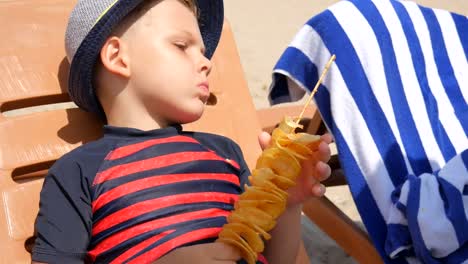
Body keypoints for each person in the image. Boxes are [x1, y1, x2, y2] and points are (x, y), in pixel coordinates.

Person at [31, 0, 332, 263]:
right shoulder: (78, 171)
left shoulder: (224, 153)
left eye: (203, 52)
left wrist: (287, 205)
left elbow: (275, 258)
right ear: (117, 57)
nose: (206, 64)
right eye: (181, 45)